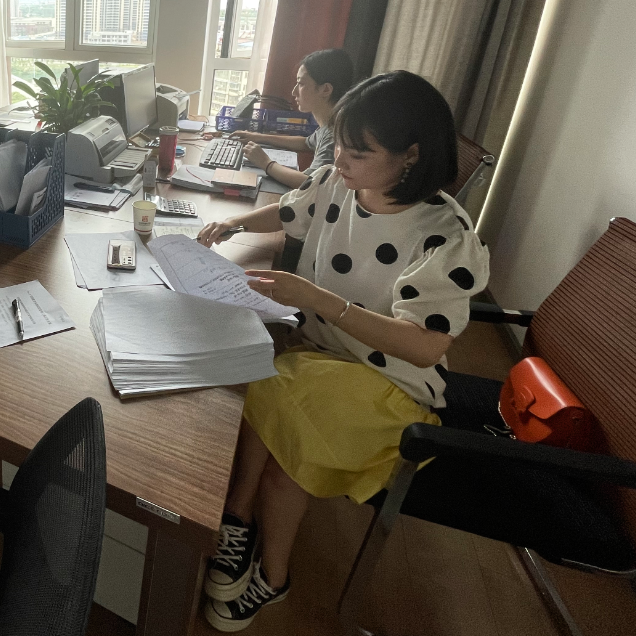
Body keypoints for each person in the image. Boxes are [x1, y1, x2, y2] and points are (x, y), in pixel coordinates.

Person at [194, 71, 489, 631]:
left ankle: (273, 575)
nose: (342, 161)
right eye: (342, 147)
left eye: (359, 152)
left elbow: (425, 346)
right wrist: (233, 222)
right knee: (266, 380)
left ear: (410, 156)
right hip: (319, 357)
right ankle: (238, 517)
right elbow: (290, 212)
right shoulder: (338, 183)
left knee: (281, 433)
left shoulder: (445, 235)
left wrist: (319, 301)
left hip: (392, 387)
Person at [206, 49, 355, 190]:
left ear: (326, 89)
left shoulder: (336, 135)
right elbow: (306, 142)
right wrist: (258, 137)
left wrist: (266, 163)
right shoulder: (331, 124)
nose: (294, 92)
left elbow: (310, 184)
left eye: (301, 84)